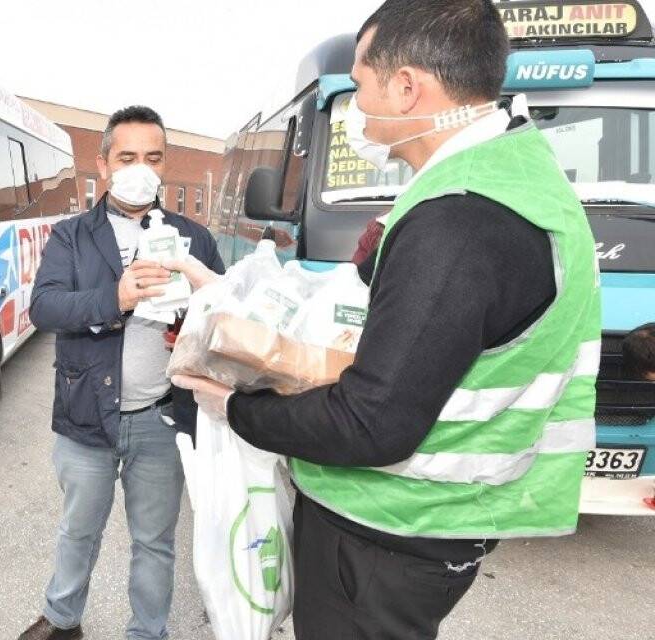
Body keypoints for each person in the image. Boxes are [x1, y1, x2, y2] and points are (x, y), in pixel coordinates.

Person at [170, 1, 601, 638]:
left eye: (363, 86)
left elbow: (372, 425)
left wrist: (233, 409)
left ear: (406, 88)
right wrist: (235, 296)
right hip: (435, 523)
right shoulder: (506, 175)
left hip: (392, 531)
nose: (359, 110)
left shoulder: (460, 220)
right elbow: (388, 318)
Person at [19, 106, 224, 640]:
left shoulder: (192, 237)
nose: (141, 168)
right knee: (78, 531)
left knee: (155, 541)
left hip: (159, 419)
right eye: (127, 156)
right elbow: (45, 307)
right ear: (103, 162)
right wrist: (116, 297)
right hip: (86, 414)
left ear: (165, 165)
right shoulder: (72, 236)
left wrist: (194, 324)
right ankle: (62, 620)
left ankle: (147, 632)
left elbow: (224, 314)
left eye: (153, 157)